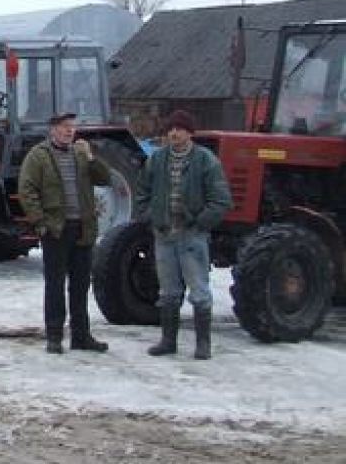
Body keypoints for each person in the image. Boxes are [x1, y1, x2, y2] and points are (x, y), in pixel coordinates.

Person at [135, 109, 232, 360]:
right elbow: (141, 192)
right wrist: (149, 218)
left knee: (199, 291)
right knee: (167, 292)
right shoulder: (156, 160)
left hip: (192, 236)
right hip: (164, 234)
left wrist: (200, 223)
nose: (174, 133)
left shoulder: (206, 160)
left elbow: (221, 200)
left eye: (179, 129)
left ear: (190, 133)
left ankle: (203, 344)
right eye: (170, 129)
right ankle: (168, 341)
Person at [19, 111, 113, 354]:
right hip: (56, 230)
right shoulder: (39, 156)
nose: (69, 131)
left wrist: (91, 157)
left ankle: (81, 336)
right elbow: (27, 190)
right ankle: (54, 336)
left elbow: (105, 179)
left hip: (82, 229)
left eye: (72, 127)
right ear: (52, 130)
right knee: (55, 284)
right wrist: (40, 224)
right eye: (64, 127)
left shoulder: (81, 155)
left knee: (80, 285)